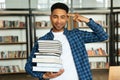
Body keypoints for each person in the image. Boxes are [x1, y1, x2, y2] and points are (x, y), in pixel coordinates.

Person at [25, 2, 108, 80]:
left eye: (62, 17)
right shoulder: (42, 40)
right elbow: (28, 66)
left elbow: (103, 36)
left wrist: (86, 20)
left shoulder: (76, 35)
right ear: (50, 17)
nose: (59, 21)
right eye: (55, 17)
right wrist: (43, 75)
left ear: (67, 18)